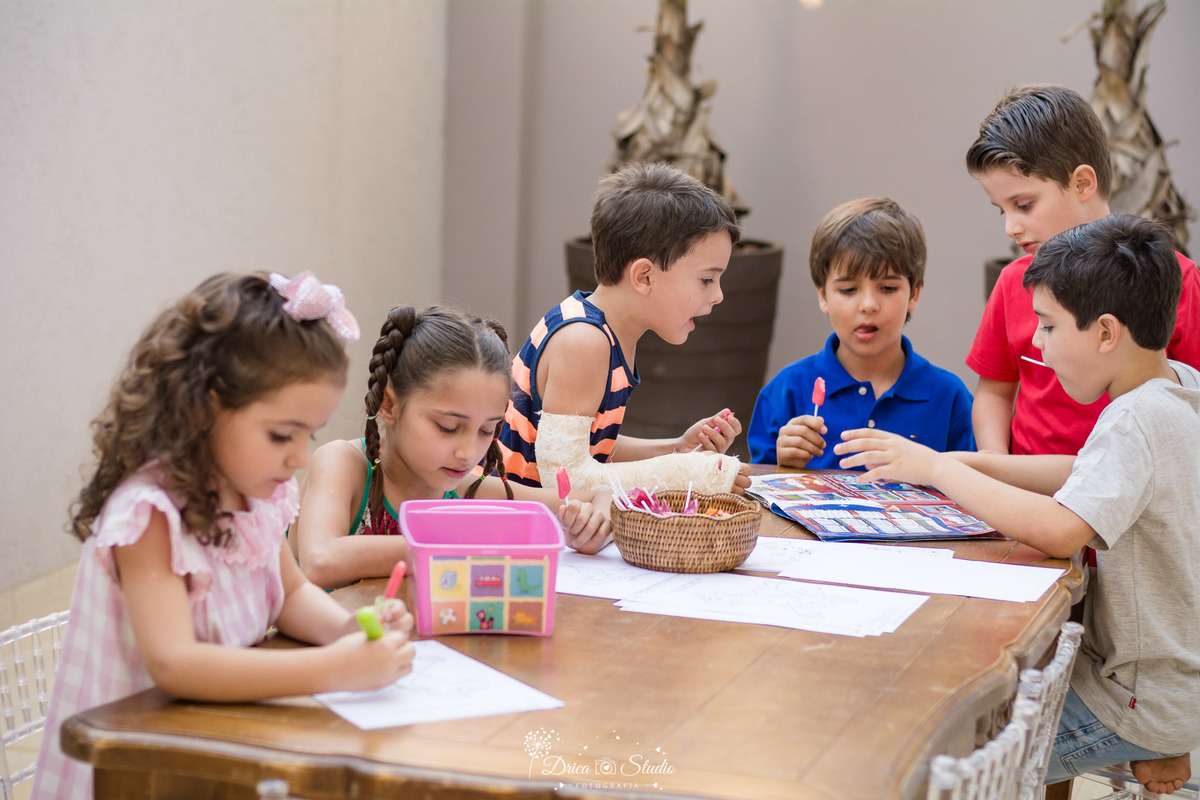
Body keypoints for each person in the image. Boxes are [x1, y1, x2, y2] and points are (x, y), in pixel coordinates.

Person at [835, 216, 1198, 793]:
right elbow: (1082, 474)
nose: (1036, 342)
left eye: (1049, 327)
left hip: (1131, 702)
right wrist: (962, 462)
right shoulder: (1175, 386)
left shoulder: (1134, 420)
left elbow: (1059, 531)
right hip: (1162, 690)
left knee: (925, 765)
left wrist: (938, 469)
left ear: (1106, 332)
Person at [34, 272, 416, 800]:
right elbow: (175, 664)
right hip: (138, 770)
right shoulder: (150, 516)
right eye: (282, 434)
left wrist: (349, 632)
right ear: (205, 407)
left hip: (218, 746)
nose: (300, 457)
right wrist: (332, 669)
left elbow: (292, 594)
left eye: (310, 434)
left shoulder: (258, 494)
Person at [290, 305, 612, 591]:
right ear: (389, 403)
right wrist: (457, 543)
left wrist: (590, 523)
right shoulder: (344, 464)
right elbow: (321, 560)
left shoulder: (464, 487)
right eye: (447, 427)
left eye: (488, 430)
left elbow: (601, 497)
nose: (468, 453)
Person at [964, 83, 1200, 456]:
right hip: (1027, 495)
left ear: (1083, 183)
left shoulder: (1178, 279)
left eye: (1023, 205)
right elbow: (994, 391)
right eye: (1001, 210)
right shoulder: (1013, 282)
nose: (1010, 227)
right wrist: (998, 469)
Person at [498, 162, 750, 496]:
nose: (718, 296)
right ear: (644, 276)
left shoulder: (607, 333)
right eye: (707, 279)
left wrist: (677, 448)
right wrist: (687, 474)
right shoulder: (584, 341)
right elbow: (566, 480)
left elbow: (591, 446)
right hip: (500, 525)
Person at [747, 197, 975, 469]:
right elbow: (758, 494)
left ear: (913, 294)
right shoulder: (786, 391)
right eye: (848, 290)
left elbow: (972, 492)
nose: (868, 305)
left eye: (888, 288)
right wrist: (783, 464)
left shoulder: (949, 397)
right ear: (823, 297)